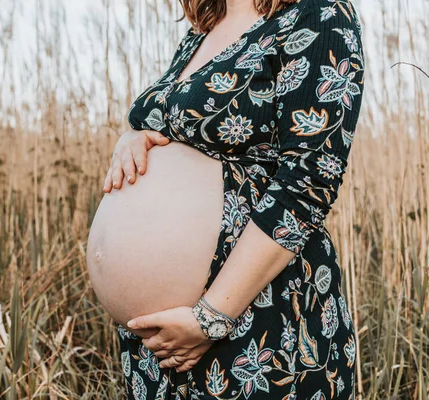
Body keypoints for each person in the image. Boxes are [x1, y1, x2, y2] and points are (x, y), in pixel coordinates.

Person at [103, 0, 365, 398]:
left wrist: (212, 317)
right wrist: (133, 137)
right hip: (159, 346)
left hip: (255, 321)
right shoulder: (205, 26)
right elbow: (180, 126)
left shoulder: (319, 13)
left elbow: (309, 180)